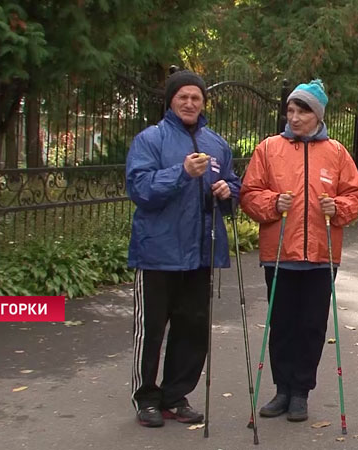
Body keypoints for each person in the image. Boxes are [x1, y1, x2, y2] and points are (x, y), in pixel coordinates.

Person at [240, 79, 358, 423]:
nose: (294, 117)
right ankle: (281, 389)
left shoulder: (337, 152)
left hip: (322, 255)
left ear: (318, 115)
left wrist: (336, 208)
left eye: (302, 111)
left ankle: (301, 392)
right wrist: (271, 202)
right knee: (281, 325)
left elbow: (355, 197)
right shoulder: (268, 149)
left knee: (312, 326)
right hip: (280, 253)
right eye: (291, 110)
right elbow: (249, 193)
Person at [126, 70, 241, 428]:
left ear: (204, 103)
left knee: (192, 328)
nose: (190, 103)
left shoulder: (217, 143)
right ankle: (146, 397)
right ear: (171, 101)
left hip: (200, 253)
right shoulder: (150, 139)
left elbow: (234, 189)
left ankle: (176, 395)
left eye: (196, 98)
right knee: (152, 329)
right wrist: (181, 173)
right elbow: (140, 189)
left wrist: (227, 193)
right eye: (183, 97)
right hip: (158, 252)